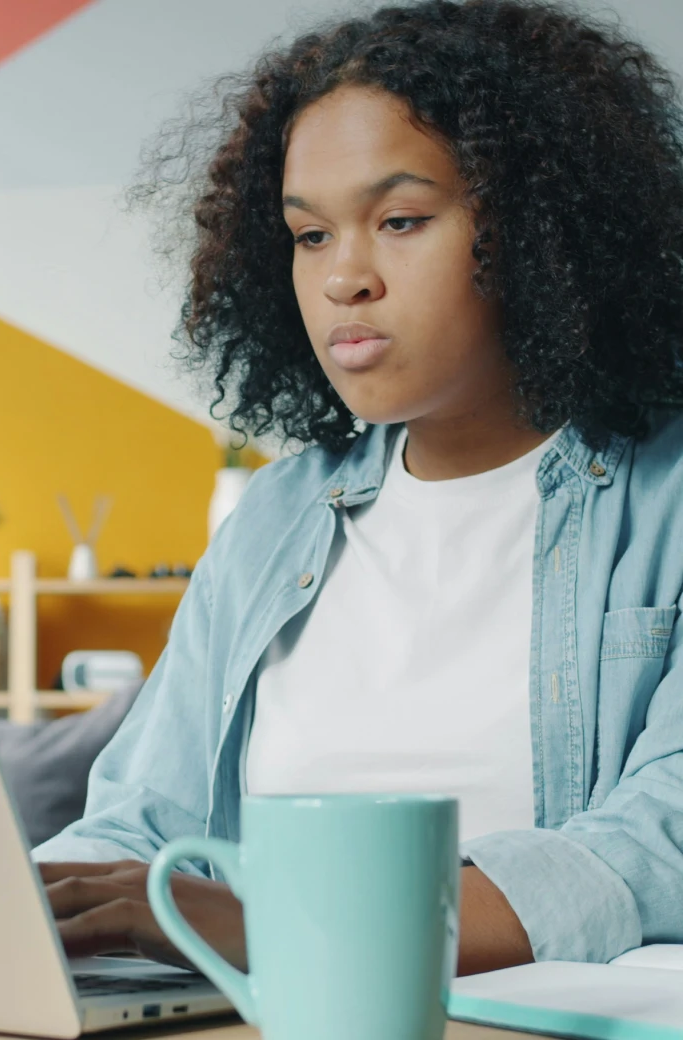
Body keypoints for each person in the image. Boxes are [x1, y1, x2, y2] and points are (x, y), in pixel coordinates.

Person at [35, 0, 683, 976]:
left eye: (399, 220)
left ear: (540, 228)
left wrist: (286, 924)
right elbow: (136, 823)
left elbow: (654, 845)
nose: (343, 277)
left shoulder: (664, 498)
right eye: (306, 235)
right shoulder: (273, 514)